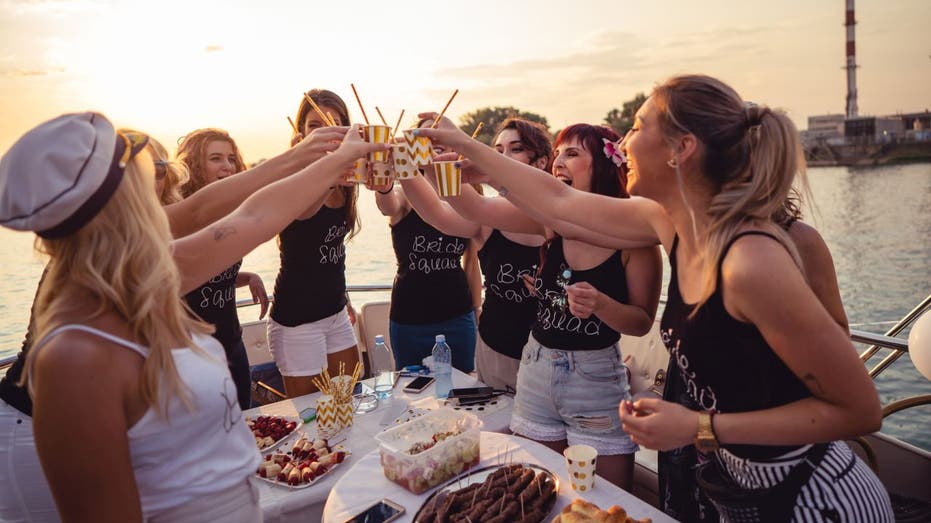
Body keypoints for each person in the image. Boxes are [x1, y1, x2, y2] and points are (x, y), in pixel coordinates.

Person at [417, 73, 893, 520]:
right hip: (743, 489)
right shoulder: (668, 224)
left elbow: (859, 411)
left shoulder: (750, 261)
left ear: (680, 149)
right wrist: (464, 147)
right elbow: (557, 201)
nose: (622, 142)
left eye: (639, 125)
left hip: (813, 498)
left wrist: (699, 427)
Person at [0, 112, 382, 521]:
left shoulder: (126, 263)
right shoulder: (94, 326)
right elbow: (240, 217)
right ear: (121, 199)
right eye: (150, 168)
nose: (162, 177)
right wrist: (328, 162)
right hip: (28, 444)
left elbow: (225, 212)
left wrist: (312, 155)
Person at [428, 123, 662, 490]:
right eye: (558, 153)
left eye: (573, 153)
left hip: (596, 382)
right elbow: (473, 206)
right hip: (537, 371)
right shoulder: (550, 224)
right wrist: (437, 170)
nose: (558, 162)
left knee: (607, 498)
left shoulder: (636, 240)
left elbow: (641, 322)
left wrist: (602, 305)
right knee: (538, 493)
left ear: (603, 164)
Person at [398, 118, 551, 391]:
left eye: (515, 149)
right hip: (497, 351)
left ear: (541, 161)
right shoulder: (488, 216)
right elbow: (438, 213)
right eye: (498, 151)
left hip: (554, 355)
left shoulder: (559, 217)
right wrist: (406, 164)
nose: (502, 158)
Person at [267, 89, 361, 397]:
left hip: (334, 312)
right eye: (315, 125)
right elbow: (304, 212)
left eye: (336, 122)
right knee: (310, 416)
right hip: (297, 319)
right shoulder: (293, 175)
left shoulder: (346, 180)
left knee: (348, 400)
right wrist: (332, 175)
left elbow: (334, 251)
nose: (327, 131)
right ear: (301, 133)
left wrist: (344, 298)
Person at [372, 116, 482, 373]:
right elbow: (387, 205)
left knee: (462, 388)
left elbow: (472, 264)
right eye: (427, 140)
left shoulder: (469, 200)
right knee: (412, 395)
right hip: (410, 319)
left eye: (440, 140)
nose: (435, 145)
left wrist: (475, 311)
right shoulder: (406, 196)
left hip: (458, 315)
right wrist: (384, 186)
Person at [176, 128, 269, 409]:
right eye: (216, 158)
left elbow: (208, 269)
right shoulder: (179, 219)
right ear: (192, 165)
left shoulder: (228, 215)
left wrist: (245, 277)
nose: (227, 165)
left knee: (245, 425)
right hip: (193, 354)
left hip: (232, 343)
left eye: (231, 158)